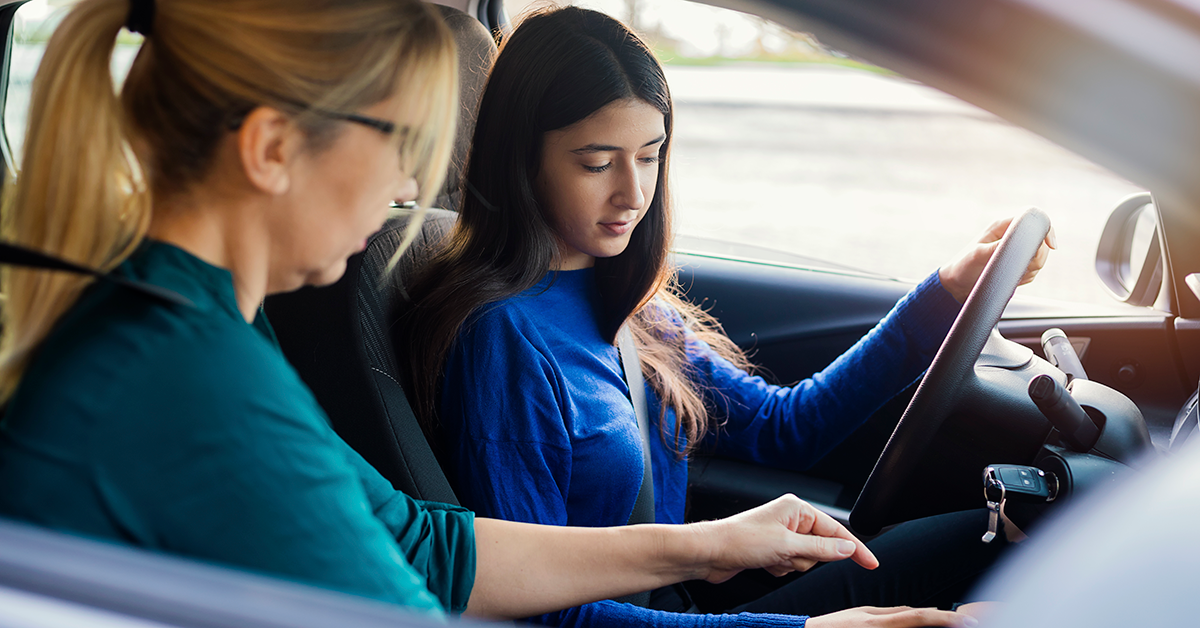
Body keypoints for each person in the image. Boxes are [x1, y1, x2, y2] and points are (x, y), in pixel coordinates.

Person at [0, 0, 893, 622]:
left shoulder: (204, 327)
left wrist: (708, 546)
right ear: (274, 149)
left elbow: (427, 546)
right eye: (404, 146)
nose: (411, 189)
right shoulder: (188, 379)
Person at [403, 6, 1055, 628]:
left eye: (651, 155)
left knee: (989, 533)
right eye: (597, 163)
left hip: (681, 603)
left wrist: (949, 290)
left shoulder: (626, 299)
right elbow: (539, 612)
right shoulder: (503, 343)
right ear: (523, 159)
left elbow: (785, 427)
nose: (632, 193)